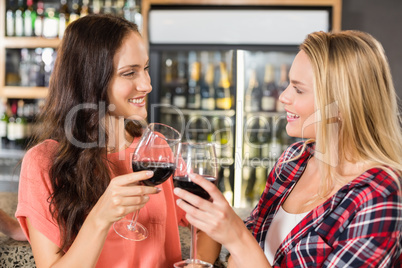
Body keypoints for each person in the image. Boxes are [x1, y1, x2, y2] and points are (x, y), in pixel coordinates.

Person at [174, 30, 402, 267]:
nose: (283, 97)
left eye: (298, 89)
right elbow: (239, 258)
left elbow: (244, 247)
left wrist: (237, 238)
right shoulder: (293, 160)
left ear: (343, 104)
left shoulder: (379, 194)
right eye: (288, 85)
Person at [15, 14, 218, 268]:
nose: (146, 84)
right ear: (89, 80)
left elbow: (211, 223)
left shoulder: (157, 149)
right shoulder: (42, 163)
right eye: (129, 73)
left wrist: (200, 264)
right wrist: (101, 217)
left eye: (144, 68)